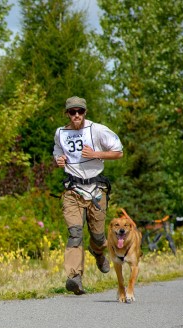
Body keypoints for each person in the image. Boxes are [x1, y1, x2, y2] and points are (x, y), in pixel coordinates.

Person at [53, 96, 123, 295]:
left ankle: (98, 252)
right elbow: (57, 151)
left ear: (85, 112)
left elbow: (119, 152)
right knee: (75, 233)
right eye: (72, 112)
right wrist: (58, 159)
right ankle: (74, 277)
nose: (76, 115)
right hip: (72, 190)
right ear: (67, 113)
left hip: (96, 190)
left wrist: (96, 154)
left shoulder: (98, 130)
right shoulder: (60, 133)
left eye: (80, 112)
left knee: (98, 236)